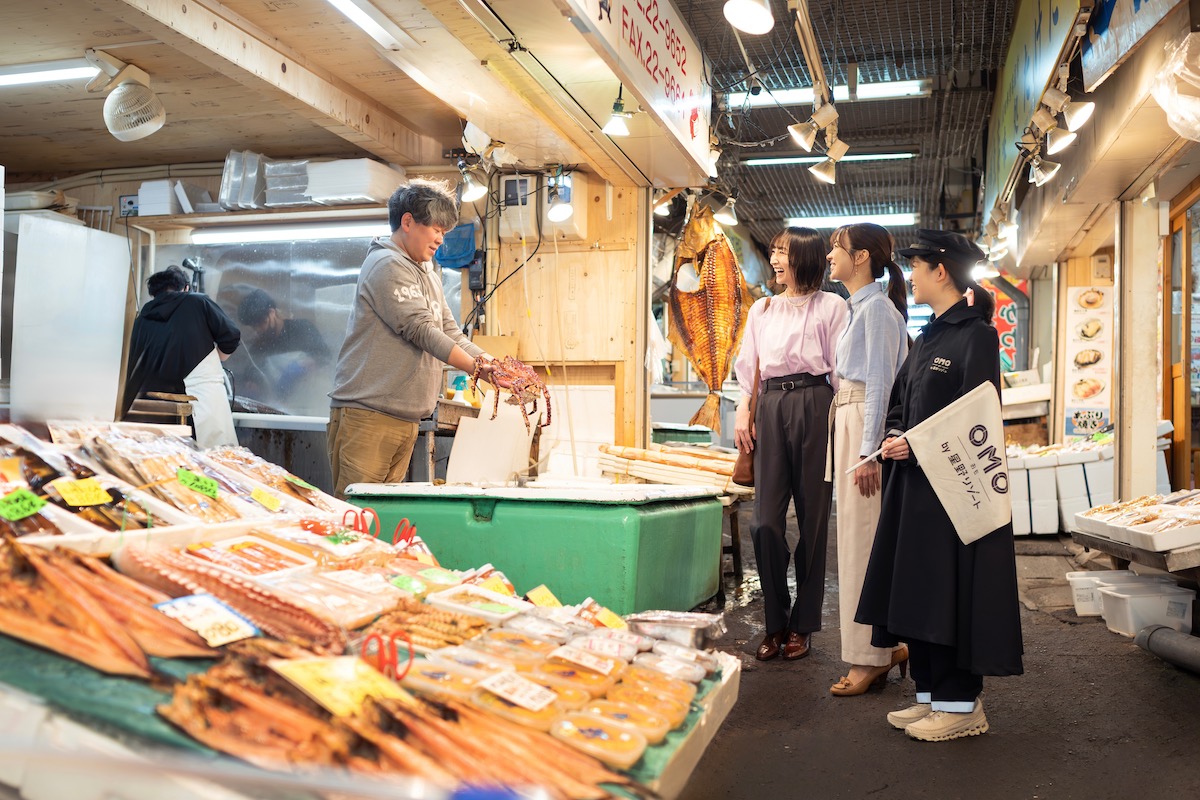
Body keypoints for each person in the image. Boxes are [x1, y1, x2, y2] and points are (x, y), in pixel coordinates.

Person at [855, 229, 1024, 741]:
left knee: (948, 590)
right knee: (918, 589)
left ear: (941, 272)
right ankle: (930, 695)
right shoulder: (928, 336)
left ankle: (961, 706)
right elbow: (903, 402)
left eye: (918, 265)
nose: (911, 275)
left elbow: (979, 416)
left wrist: (921, 445)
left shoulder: (976, 335)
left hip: (955, 493)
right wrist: (893, 433)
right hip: (913, 487)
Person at [328, 179, 493, 497]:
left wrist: (488, 362)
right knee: (357, 517)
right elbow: (420, 330)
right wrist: (474, 367)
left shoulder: (428, 272)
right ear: (408, 222)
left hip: (404, 419)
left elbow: (449, 331)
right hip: (368, 416)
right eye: (436, 229)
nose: (441, 239)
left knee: (384, 520)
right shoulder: (386, 264)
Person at [734, 227, 848, 662]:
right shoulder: (762, 309)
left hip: (818, 404)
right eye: (774, 252)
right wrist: (744, 410)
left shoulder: (832, 306)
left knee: (815, 522)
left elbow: (840, 371)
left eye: (782, 252)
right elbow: (749, 367)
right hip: (770, 406)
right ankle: (775, 621)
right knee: (764, 522)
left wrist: (842, 426)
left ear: (803, 258)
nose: (775, 260)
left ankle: (803, 626)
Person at [825, 222, 911, 696]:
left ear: (861, 258)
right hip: (851, 421)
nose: (829, 257)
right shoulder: (864, 308)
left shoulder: (875, 309)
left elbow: (879, 383)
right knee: (856, 540)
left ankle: (869, 657)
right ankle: (886, 647)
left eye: (836, 249)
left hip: (862, 426)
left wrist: (868, 452)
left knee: (861, 542)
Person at [123, 265, 241, 447]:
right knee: (210, 462)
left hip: (152, 407)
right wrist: (219, 356)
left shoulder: (143, 317)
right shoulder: (197, 302)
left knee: (166, 463)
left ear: (155, 293)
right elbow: (231, 335)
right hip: (198, 401)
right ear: (185, 288)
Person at [237, 288, 332, 406]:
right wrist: (253, 387)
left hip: (308, 401)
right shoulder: (258, 347)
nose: (258, 330)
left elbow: (325, 357)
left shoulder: (302, 329)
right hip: (278, 406)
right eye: (254, 326)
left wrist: (300, 366)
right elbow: (252, 378)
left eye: (262, 323)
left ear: (272, 312)